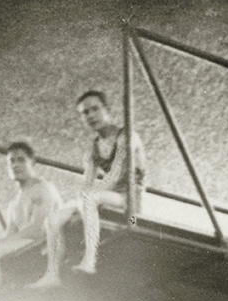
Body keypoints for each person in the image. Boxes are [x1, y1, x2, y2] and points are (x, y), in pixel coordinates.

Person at [34, 89, 146, 286]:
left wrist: (86, 196)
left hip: (130, 200)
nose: (91, 115)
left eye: (95, 109)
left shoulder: (127, 136)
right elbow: (86, 182)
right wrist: (77, 201)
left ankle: (90, 260)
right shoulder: (92, 148)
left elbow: (113, 175)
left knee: (88, 198)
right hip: (107, 195)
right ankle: (52, 274)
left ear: (107, 109)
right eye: (85, 113)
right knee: (53, 218)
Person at [0, 142, 62, 297]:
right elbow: (8, 237)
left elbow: (38, 230)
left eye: (21, 160)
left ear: (33, 162)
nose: (16, 165)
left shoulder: (43, 189)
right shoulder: (14, 203)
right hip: (23, 247)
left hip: (41, 247)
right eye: (12, 161)